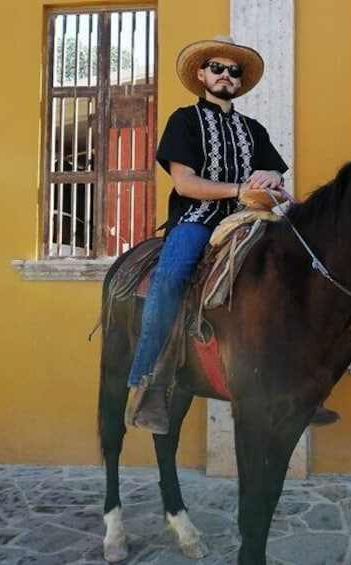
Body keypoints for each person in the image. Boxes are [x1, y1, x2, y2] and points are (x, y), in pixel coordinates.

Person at [125, 36, 339, 434]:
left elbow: (275, 172)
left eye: (233, 71)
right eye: (218, 68)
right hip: (197, 219)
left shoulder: (252, 129)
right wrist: (239, 190)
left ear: (239, 82)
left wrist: (269, 176)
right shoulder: (183, 120)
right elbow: (186, 184)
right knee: (171, 277)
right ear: (202, 75)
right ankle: (150, 381)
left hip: (250, 220)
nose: (226, 75)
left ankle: (305, 384)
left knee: (304, 268)